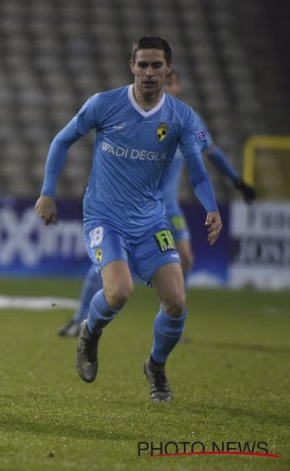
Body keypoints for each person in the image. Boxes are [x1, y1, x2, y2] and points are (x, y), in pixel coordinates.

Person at [36, 35, 223, 403]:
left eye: (156, 65)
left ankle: (156, 366)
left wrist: (212, 207)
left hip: (151, 221)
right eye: (143, 65)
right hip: (104, 216)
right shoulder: (104, 105)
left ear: (168, 69)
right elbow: (61, 141)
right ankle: (90, 332)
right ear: (131, 66)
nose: (149, 72)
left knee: (176, 302)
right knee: (119, 291)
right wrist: (47, 192)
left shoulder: (180, 117)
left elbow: (198, 174)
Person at [57, 69, 256, 337]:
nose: (174, 88)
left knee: (185, 257)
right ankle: (80, 318)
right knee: (113, 269)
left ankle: (173, 317)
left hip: (166, 208)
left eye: (174, 83)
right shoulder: (135, 117)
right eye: (171, 83)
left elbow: (212, 153)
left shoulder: (186, 119)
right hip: (131, 206)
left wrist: (237, 182)